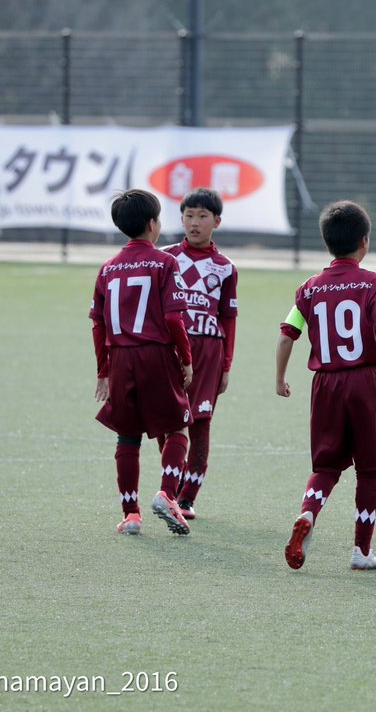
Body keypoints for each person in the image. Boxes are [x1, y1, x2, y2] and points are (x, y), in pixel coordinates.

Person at [278, 200, 376, 571]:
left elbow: (287, 335)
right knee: (369, 469)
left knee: (328, 465)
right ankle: (361, 551)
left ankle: (308, 513)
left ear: (326, 243)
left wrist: (280, 377)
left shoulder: (309, 288)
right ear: (364, 242)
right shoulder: (374, 283)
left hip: (326, 384)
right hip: (365, 381)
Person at [90, 189, 195, 536]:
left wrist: (103, 371)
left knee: (127, 437)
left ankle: (131, 515)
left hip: (120, 358)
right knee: (179, 427)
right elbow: (173, 318)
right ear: (153, 224)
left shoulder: (107, 269)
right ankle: (167, 493)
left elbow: (99, 325)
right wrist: (186, 358)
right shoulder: (165, 262)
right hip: (155, 355)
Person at [159, 188, 238, 520]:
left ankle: (187, 498)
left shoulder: (225, 268)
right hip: (170, 348)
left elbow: (228, 318)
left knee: (200, 423)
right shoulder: (165, 257)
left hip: (208, 350)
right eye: (189, 215)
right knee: (166, 421)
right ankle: (170, 488)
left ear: (217, 221)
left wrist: (226, 365)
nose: (194, 222)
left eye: (203, 216)